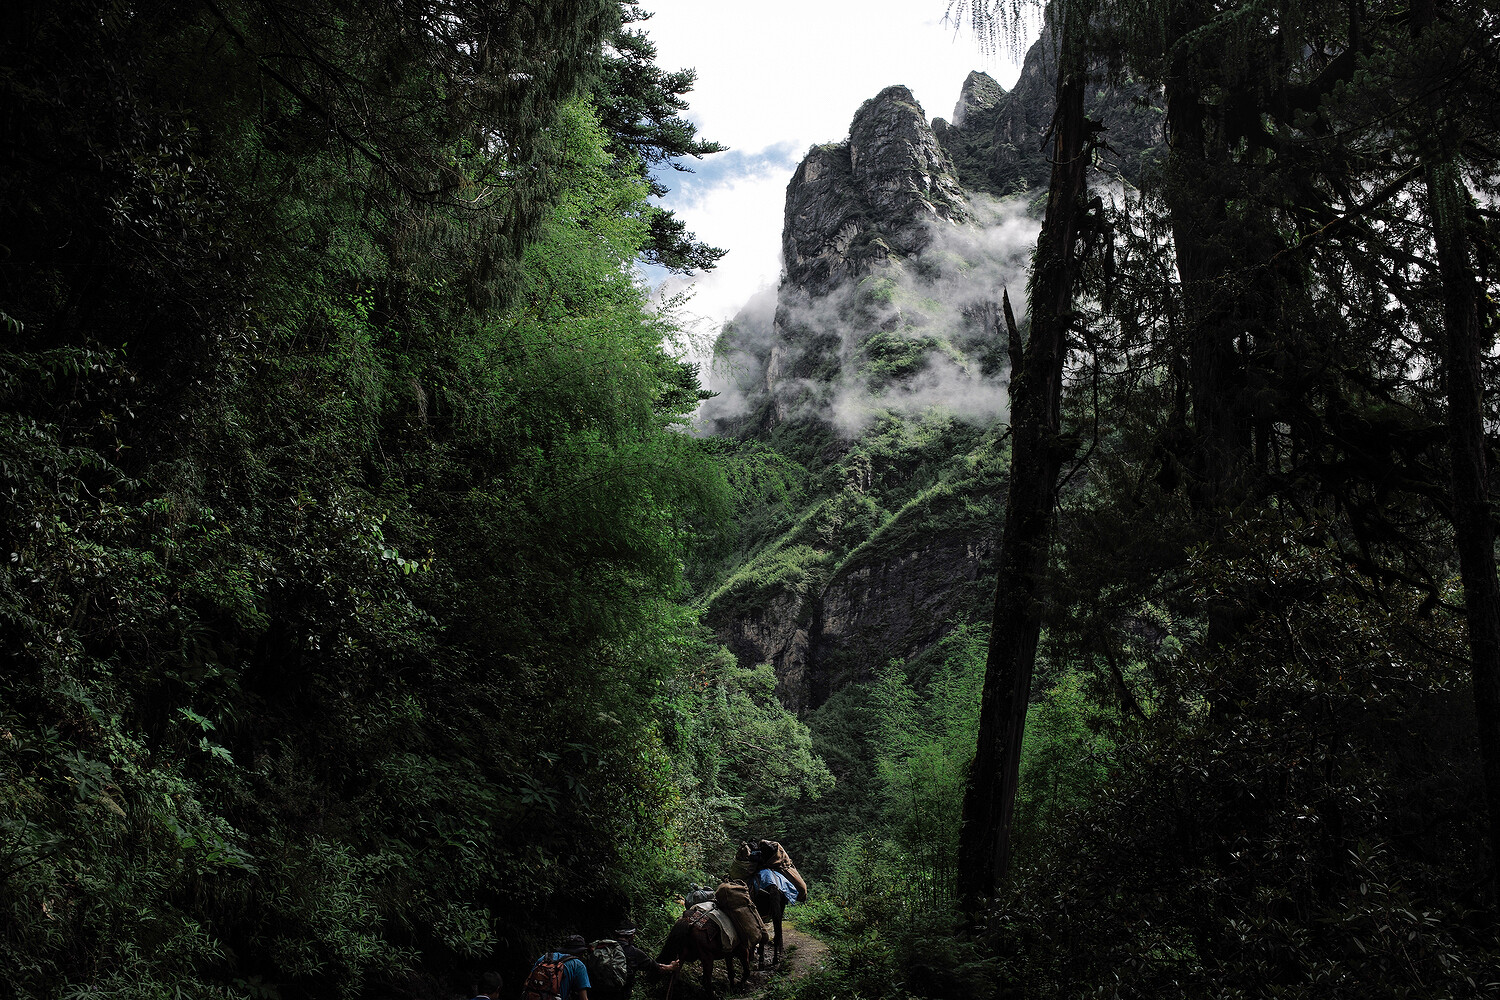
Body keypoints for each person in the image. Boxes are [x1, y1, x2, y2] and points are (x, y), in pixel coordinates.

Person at [607, 922, 680, 1000]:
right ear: (632, 935)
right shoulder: (634, 953)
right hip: (619, 994)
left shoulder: (604, 946)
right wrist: (671, 967)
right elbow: (658, 967)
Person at [523, 935, 593, 1000]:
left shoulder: (545, 958)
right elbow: (583, 998)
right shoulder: (578, 965)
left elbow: (526, 983)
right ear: (581, 952)